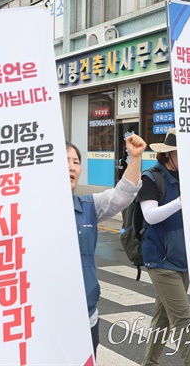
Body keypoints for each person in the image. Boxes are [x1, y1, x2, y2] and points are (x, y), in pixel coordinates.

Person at [67, 133, 146, 357]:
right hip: (47, 320)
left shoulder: (88, 206)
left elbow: (122, 195)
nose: (72, 166)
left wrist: (135, 157)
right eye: (66, 161)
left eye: (76, 162)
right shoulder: (29, 214)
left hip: (86, 316)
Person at [137, 128, 190, 366]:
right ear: (167, 154)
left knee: (162, 318)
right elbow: (150, 216)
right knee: (183, 319)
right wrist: (180, 202)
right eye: (182, 153)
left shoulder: (188, 177)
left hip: (183, 258)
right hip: (160, 259)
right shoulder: (151, 178)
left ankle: (149, 362)